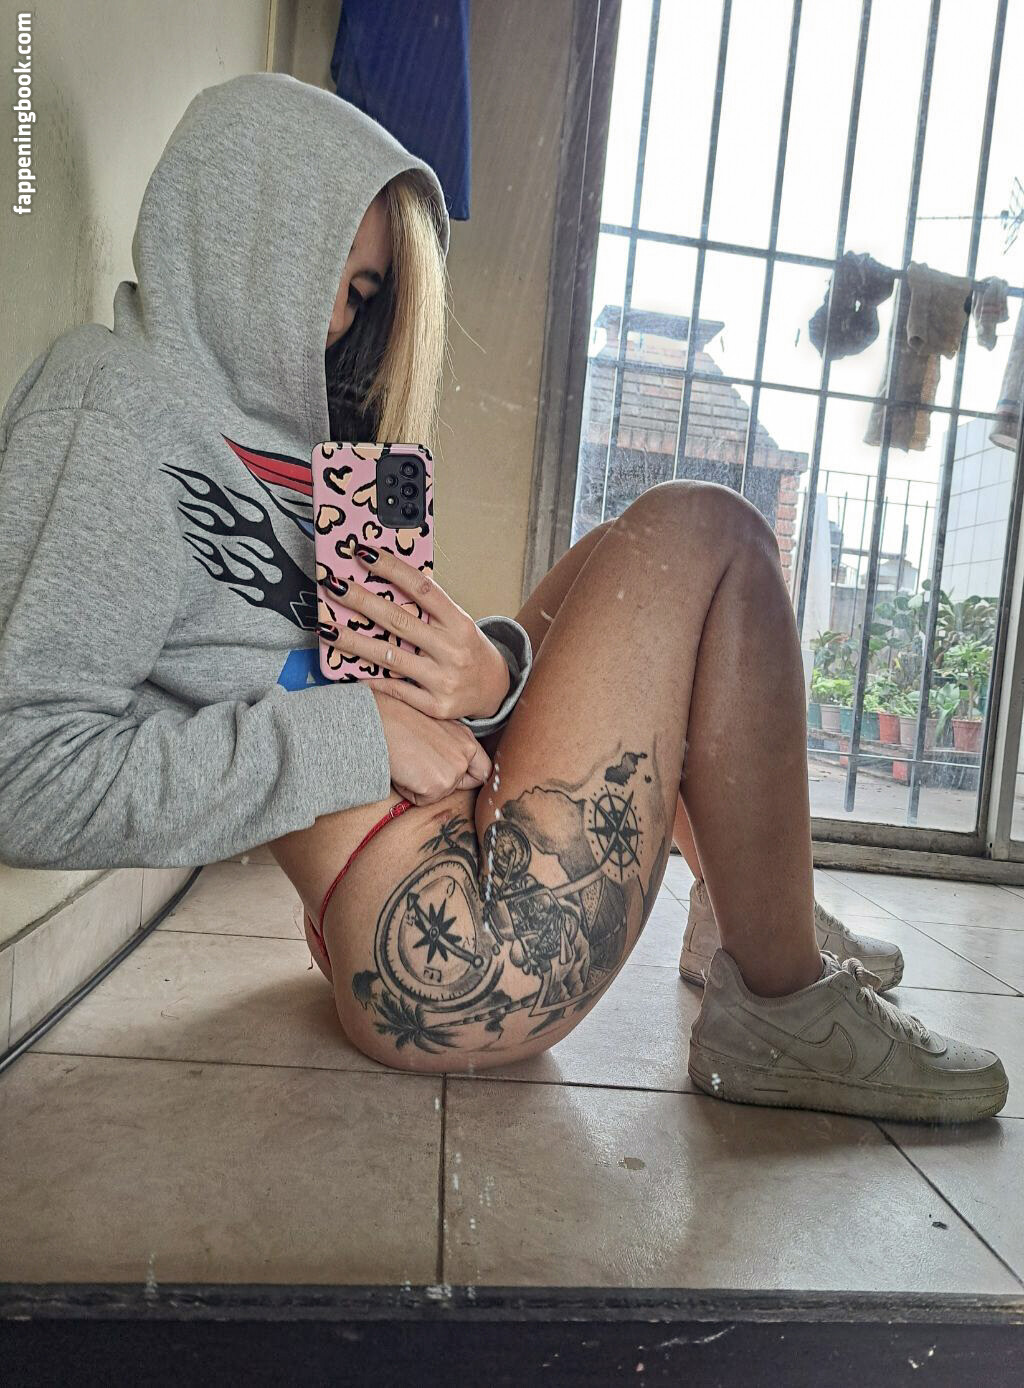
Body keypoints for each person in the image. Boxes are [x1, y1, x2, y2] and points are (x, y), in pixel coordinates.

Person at [0, 74, 1006, 1124]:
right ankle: (786, 1003)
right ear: (242, 231)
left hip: (427, 862)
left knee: (617, 552)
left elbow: (352, 687)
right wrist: (355, 736)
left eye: (362, 295)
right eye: (331, 278)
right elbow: (20, 772)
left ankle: (746, 914)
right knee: (711, 533)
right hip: (443, 944)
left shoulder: (285, 439)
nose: (342, 322)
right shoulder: (110, 405)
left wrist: (486, 679)